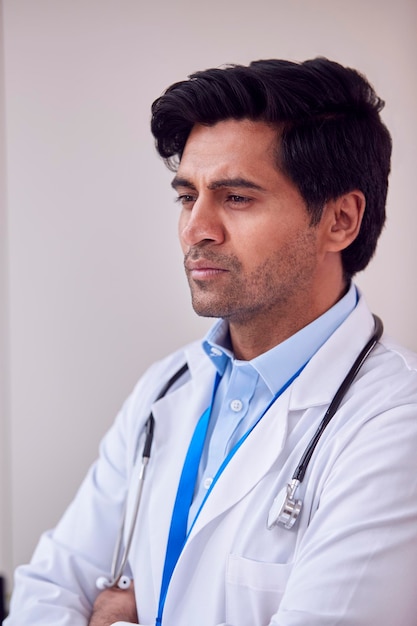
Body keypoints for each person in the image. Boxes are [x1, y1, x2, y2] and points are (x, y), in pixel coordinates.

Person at [5, 57, 417, 626]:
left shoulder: (398, 425)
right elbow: (48, 589)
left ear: (340, 220)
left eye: (237, 198)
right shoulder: (165, 388)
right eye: (186, 195)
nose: (197, 228)